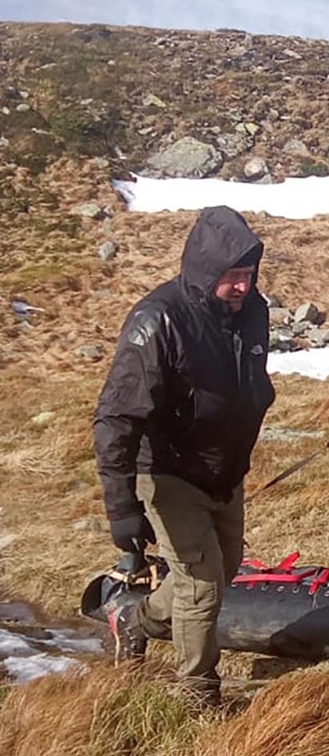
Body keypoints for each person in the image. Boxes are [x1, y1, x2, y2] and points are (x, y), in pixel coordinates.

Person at [94, 206, 276, 707]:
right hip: (169, 470)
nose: (242, 286)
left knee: (222, 570)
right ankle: (199, 695)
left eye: (247, 274)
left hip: (224, 471)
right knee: (200, 588)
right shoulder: (158, 321)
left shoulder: (253, 311)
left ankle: (133, 618)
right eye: (231, 276)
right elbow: (115, 418)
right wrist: (121, 506)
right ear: (203, 270)